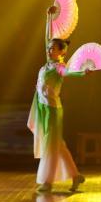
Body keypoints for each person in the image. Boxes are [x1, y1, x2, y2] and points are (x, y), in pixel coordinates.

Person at [28, 32, 90, 193]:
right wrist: (48, 20)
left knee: (51, 146)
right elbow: (46, 38)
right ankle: (76, 176)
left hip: (53, 110)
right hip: (43, 108)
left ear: (61, 52)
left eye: (53, 48)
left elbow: (68, 72)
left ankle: (47, 181)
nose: (49, 50)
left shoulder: (59, 67)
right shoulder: (46, 66)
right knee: (58, 146)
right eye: (48, 48)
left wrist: (82, 72)